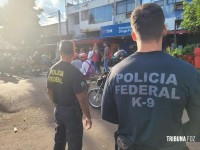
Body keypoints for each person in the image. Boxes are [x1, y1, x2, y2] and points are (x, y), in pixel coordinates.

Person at [101, 3, 200, 150]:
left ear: (134, 35)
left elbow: (108, 114)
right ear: (164, 30)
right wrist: (174, 137)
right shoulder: (189, 72)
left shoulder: (116, 71)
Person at [47, 41, 92, 150]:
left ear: (60, 52)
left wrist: (57, 105)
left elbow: (49, 91)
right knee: (74, 143)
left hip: (58, 110)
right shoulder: (75, 72)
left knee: (59, 139)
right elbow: (82, 98)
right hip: (72, 113)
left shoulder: (52, 69)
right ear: (73, 53)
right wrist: (88, 117)